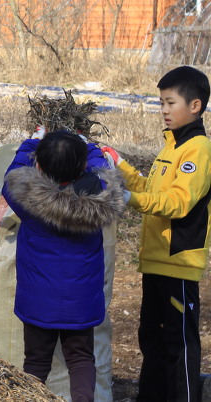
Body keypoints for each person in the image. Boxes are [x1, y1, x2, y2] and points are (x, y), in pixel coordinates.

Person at [105, 66, 211, 402]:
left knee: (179, 346)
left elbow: (178, 203)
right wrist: (119, 165)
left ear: (194, 106)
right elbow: (151, 188)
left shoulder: (198, 150)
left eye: (170, 102)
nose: (163, 110)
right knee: (151, 339)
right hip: (154, 262)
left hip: (177, 261)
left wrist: (130, 200)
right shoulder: (171, 147)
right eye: (160, 103)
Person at [2, 131, 124, 402]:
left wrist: (31, 142)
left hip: (38, 302)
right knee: (81, 359)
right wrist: (89, 147)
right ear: (82, 167)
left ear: (39, 167)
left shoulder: (28, 200)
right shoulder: (99, 202)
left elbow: (12, 173)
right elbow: (103, 169)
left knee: (35, 363)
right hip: (81, 303)